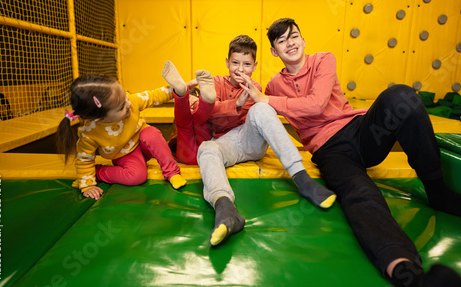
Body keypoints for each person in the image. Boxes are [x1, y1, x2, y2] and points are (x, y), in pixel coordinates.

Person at [239, 17, 461, 286]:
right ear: (274, 51)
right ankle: (405, 270)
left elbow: (317, 104)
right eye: (282, 40)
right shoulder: (273, 86)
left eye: (294, 36)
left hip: (361, 131)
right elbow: (251, 112)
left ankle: (440, 195)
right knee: (359, 194)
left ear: (303, 40)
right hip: (329, 149)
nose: (290, 42)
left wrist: (266, 99)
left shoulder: (323, 60)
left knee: (401, 96)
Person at [195, 34, 336, 247]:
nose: (240, 69)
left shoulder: (256, 87)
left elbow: (260, 121)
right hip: (226, 143)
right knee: (206, 149)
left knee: (262, 107)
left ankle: (303, 179)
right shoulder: (216, 83)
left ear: (254, 66)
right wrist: (237, 103)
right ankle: (225, 209)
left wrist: (250, 98)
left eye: (246, 64)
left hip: (249, 141)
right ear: (227, 62)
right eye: (235, 63)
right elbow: (207, 113)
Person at [57, 74, 186, 200]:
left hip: (143, 140)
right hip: (125, 155)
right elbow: (84, 160)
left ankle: (172, 172)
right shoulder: (89, 132)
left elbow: (154, 95)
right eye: (121, 107)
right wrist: (87, 184)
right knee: (137, 177)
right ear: (100, 119)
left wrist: (179, 89)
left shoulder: (129, 101)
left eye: (125, 97)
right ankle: (98, 172)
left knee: (151, 133)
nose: (128, 104)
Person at [162, 61, 216, 165]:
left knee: (187, 124)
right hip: (204, 153)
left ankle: (181, 95)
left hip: (188, 155)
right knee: (196, 121)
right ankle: (189, 98)